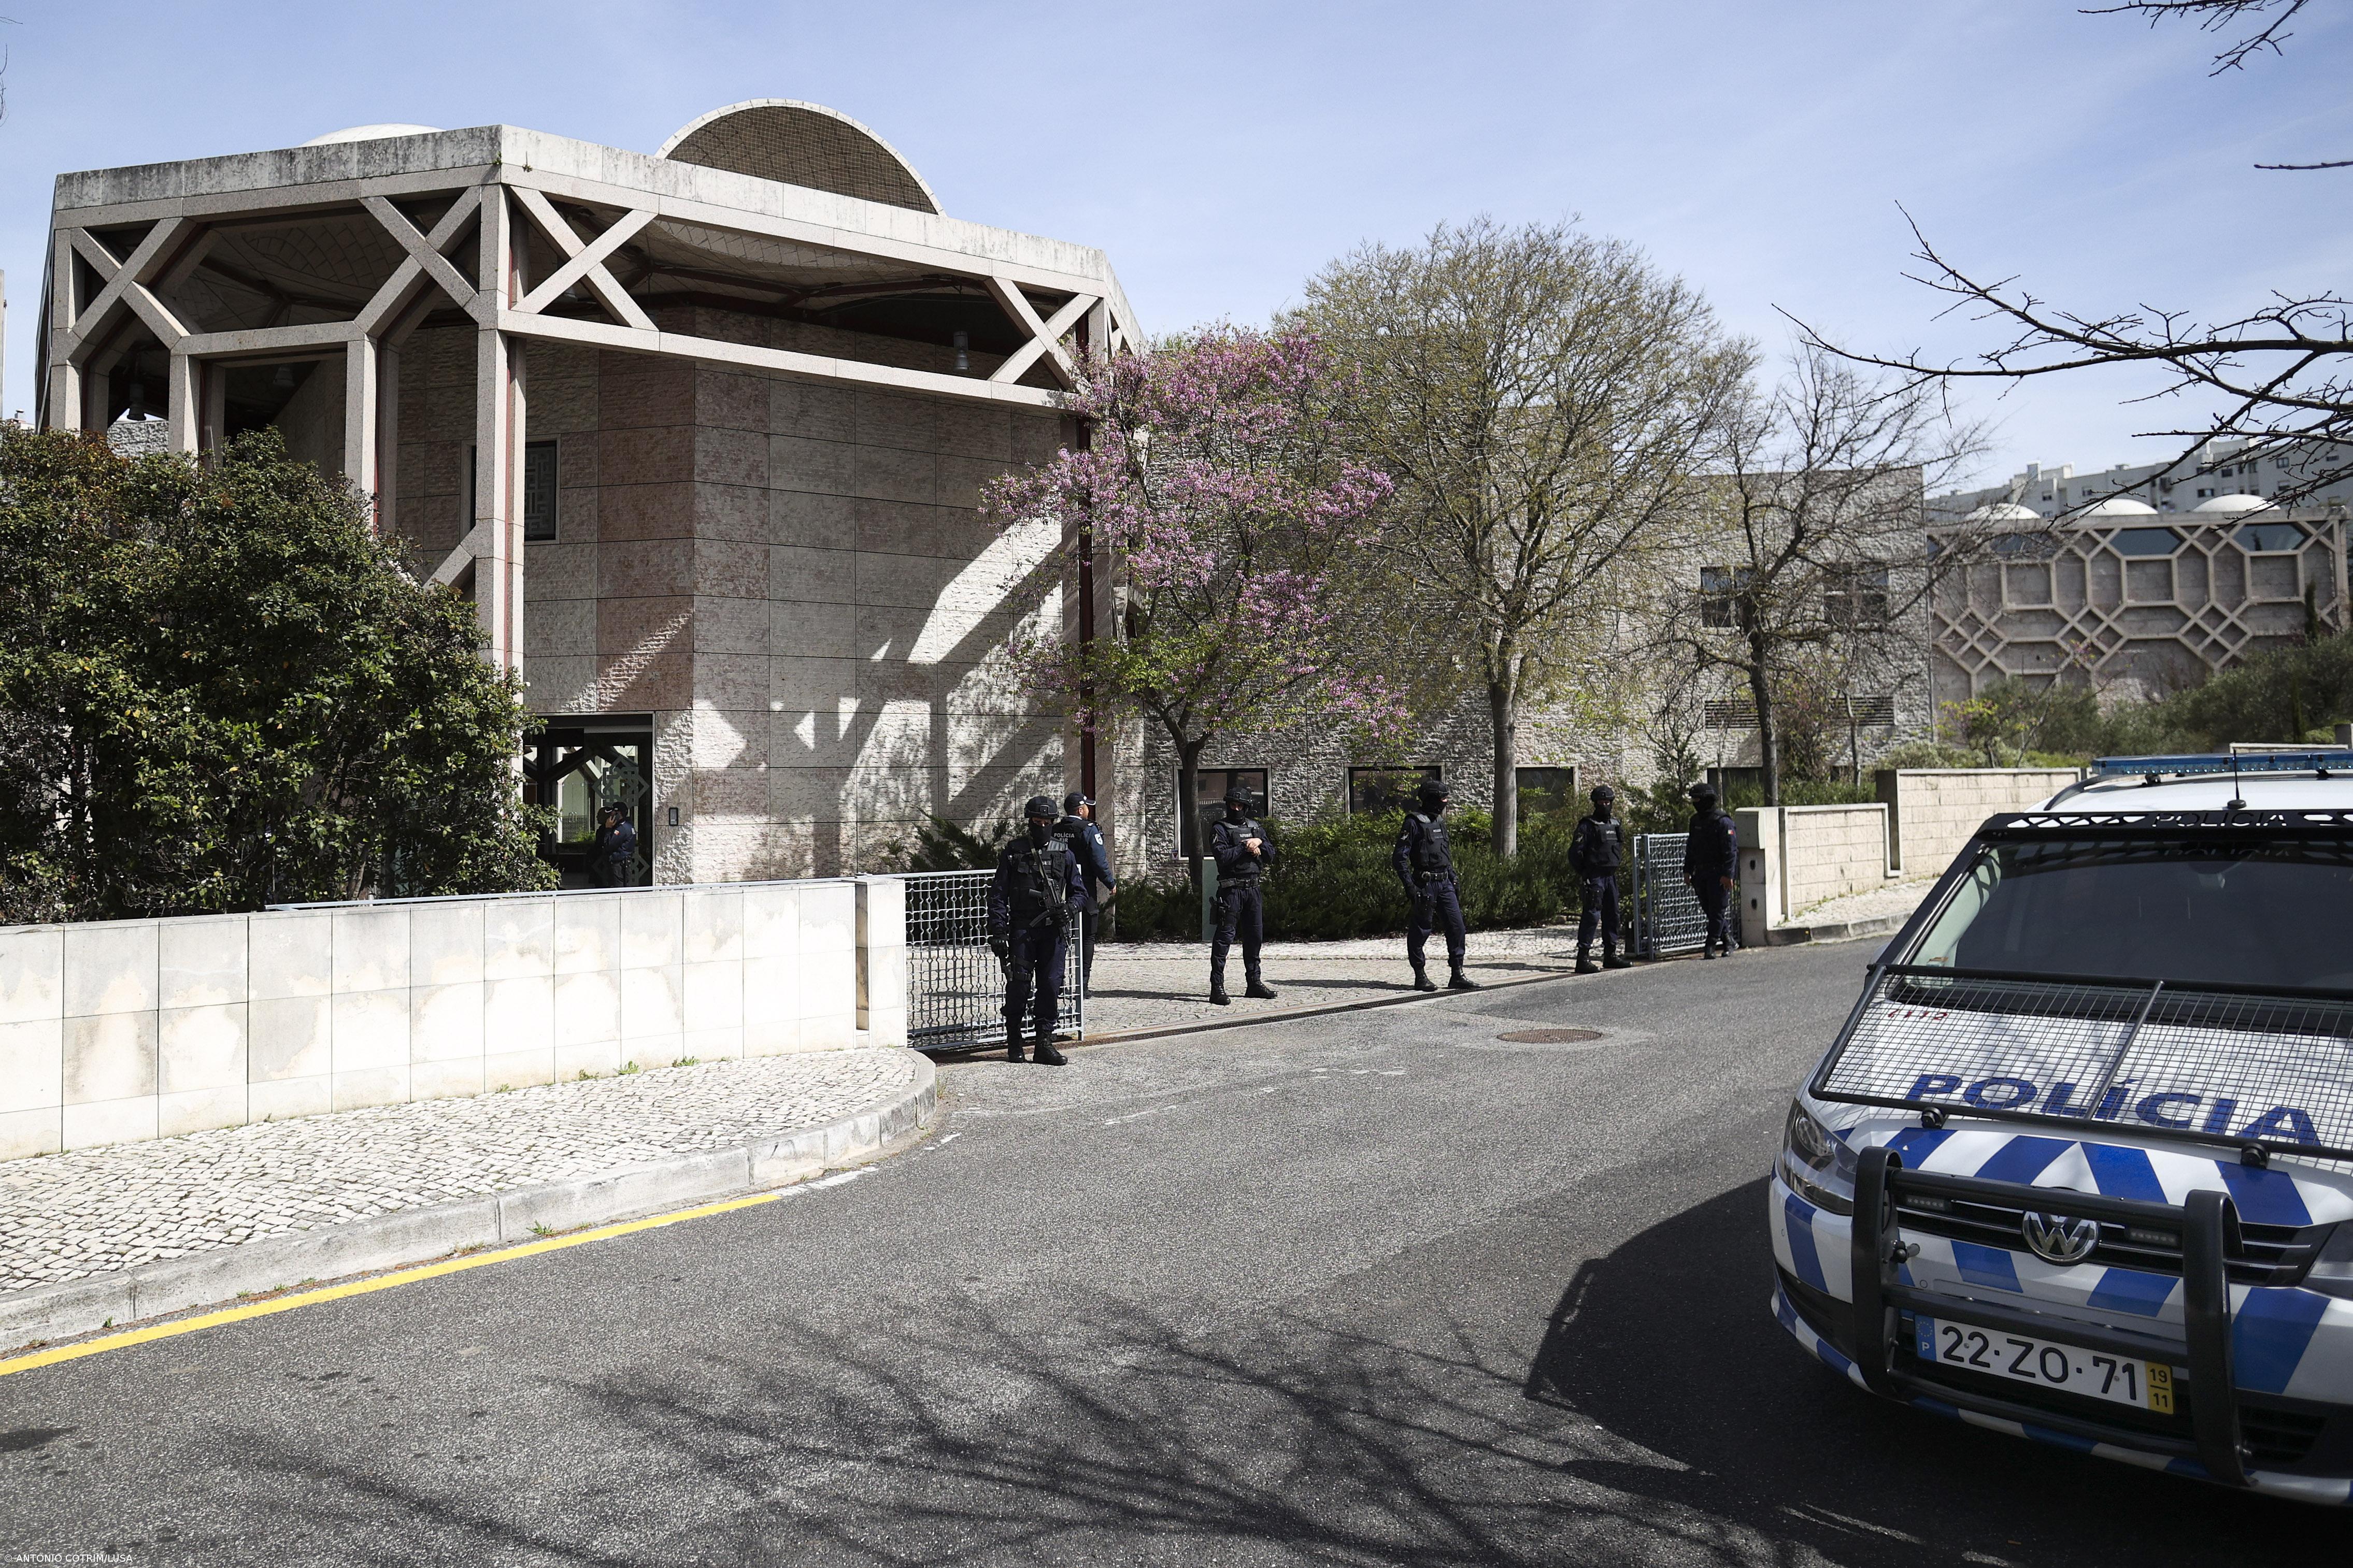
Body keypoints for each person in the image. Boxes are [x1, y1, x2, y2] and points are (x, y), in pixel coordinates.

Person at [988, 795, 1086, 1065]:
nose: (1042, 826)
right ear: (1029, 822)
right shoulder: (1014, 851)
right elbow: (998, 895)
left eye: (1046, 822)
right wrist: (998, 930)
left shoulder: (1064, 852)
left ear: (1053, 823)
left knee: (1050, 986)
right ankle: (1015, 1041)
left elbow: (1080, 891)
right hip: (1022, 930)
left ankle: (1044, 1043)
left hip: (1052, 931)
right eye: (1037, 822)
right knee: (1019, 986)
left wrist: (1071, 908)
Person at [1394, 778, 1478, 992]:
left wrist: (1453, 876)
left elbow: (1444, 855)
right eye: (1442, 798)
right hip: (1425, 885)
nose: (1445, 802)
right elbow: (1399, 858)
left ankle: (1457, 974)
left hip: (1445, 883)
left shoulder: (1440, 822)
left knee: (1457, 927)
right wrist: (1410, 886)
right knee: (1421, 930)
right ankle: (1420, 975)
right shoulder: (1413, 823)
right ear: (1432, 799)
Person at [1207, 782, 1278, 1004]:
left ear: (1246, 807)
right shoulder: (1220, 828)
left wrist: (1260, 843)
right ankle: (1217, 987)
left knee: (1254, 938)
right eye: (1232, 805)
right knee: (1224, 939)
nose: (1236, 809)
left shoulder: (1256, 828)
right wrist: (1245, 846)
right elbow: (1223, 857)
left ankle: (1254, 983)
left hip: (1253, 890)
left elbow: (1270, 855)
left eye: (1240, 805)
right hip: (1231, 891)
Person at [1057, 791, 1116, 993]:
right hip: (1084, 888)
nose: (1089, 810)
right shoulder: (1089, 829)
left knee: (1059, 937)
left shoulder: (1055, 830)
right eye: (1087, 807)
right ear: (1081, 810)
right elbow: (1099, 860)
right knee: (1087, 937)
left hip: (1058, 890)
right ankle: (1082, 985)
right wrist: (1110, 882)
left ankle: (1057, 981)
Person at [1568, 784, 1631, 974]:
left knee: (1613, 915)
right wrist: (1586, 873)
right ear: (1595, 803)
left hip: (1611, 876)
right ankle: (1583, 958)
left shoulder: (1615, 823)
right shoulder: (1587, 826)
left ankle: (1610, 955)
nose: (1605, 804)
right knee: (1592, 915)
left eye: (1608, 801)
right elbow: (1574, 853)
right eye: (1601, 802)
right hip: (1595, 876)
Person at [1684, 782, 1742, 957]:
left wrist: (1728, 875)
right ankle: (1728, 940)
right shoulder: (1695, 821)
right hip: (1701, 873)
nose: (1695, 803)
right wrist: (1688, 870)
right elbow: (1691, 847)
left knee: (1718, 911)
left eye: (1698, 800)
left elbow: (1731, 851)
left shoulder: (1723, 822)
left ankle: (1710, 946)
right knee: (1710, 910)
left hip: (1719, 873)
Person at [592, 803, 637, 888]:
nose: (610, 816)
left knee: (617, 890)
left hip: (618, 865)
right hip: (622, 864)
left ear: (618, 814)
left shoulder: (622, 829)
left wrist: (608, 828)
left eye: (612, 813)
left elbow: (608, 845)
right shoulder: (628, 826)